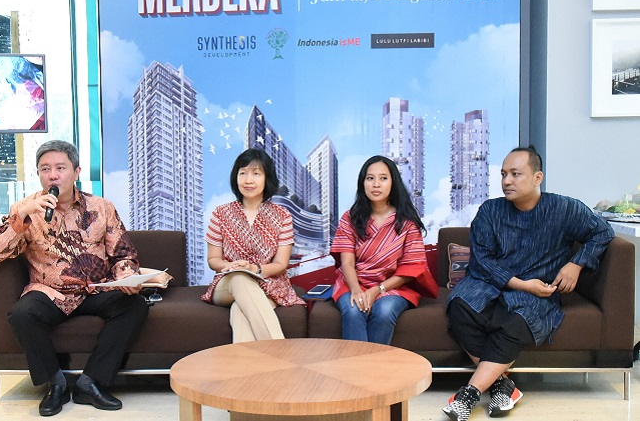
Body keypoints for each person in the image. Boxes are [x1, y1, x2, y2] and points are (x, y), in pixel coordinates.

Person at [442, 145, 614, 421]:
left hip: (538, 293)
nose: (506, 181)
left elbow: (603, 231)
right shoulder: (490, 210)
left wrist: (576, 263)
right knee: (460, 305)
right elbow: (482, 260)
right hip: (492, 284)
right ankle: (501, 385)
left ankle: (469, 393)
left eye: (515, 174)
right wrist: (521, 284)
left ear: (537, 177)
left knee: (517, 322)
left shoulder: (564, 208)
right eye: (503, 174)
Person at [0, 140, 149, 417]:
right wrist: (22, 215)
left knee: (134, 306)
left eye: (60, 168)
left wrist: (127, 277)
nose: (53, 175)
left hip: (95, 290)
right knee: (22, 314)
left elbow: (124, 254)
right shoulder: (25, 210)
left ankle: (91, 382)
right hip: (50, 293)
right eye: (45, 169)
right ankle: (55, 384)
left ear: (76, 171)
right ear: (39, 175)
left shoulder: (102, 207)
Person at [330, 155, 439, 345]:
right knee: (354, 308)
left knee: (384, 311)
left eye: (383, 178)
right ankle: (359, 372)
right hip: (354, 282)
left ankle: (372, 371)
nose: (376, 184)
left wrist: (377, 290)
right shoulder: (350, 217)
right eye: (370, 178)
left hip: (394, 286)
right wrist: (356, 290)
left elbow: (411, 268)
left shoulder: (406, 221)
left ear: (392, 182)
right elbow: (347, 262)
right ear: (362, 183)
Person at [201, 148, 305, 342]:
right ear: (236, 177)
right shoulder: (220, 213)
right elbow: (213, 259)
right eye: (243, 173)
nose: (248, 180)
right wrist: (231, 266)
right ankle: (282, 354)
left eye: (256, 173)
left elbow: (281, 264)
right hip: (228, 282)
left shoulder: (282, 216)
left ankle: (247, 371)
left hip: (269, 282)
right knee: (240, 278)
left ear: (267, 178)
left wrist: (254, 268)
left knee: (240, 311)